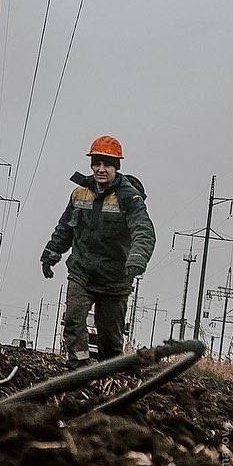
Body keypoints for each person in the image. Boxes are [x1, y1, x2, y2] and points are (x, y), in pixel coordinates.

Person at [41, 136, 155, 367]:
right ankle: (78, 366)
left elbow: (144, 231)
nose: (101, 169)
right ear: (92, 165)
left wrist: (137, 258)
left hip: (115, 278)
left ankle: (109, 373)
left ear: (116, 167)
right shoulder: (79, 194)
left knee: (110, 339)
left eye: (107, 164)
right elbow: (65, 228)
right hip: (82, 271)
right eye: (97, 164)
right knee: (73, 319)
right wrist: (51, 253)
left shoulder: (129, 197)